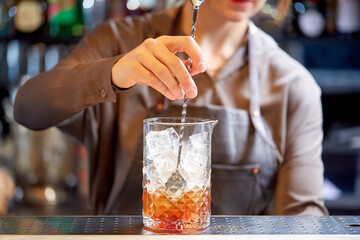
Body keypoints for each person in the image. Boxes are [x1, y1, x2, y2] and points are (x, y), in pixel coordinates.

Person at [13, 0, 328, 216]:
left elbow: (302, 218)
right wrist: (114, 73)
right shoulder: (120, 40)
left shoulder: (292, 85)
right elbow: (27, 108)